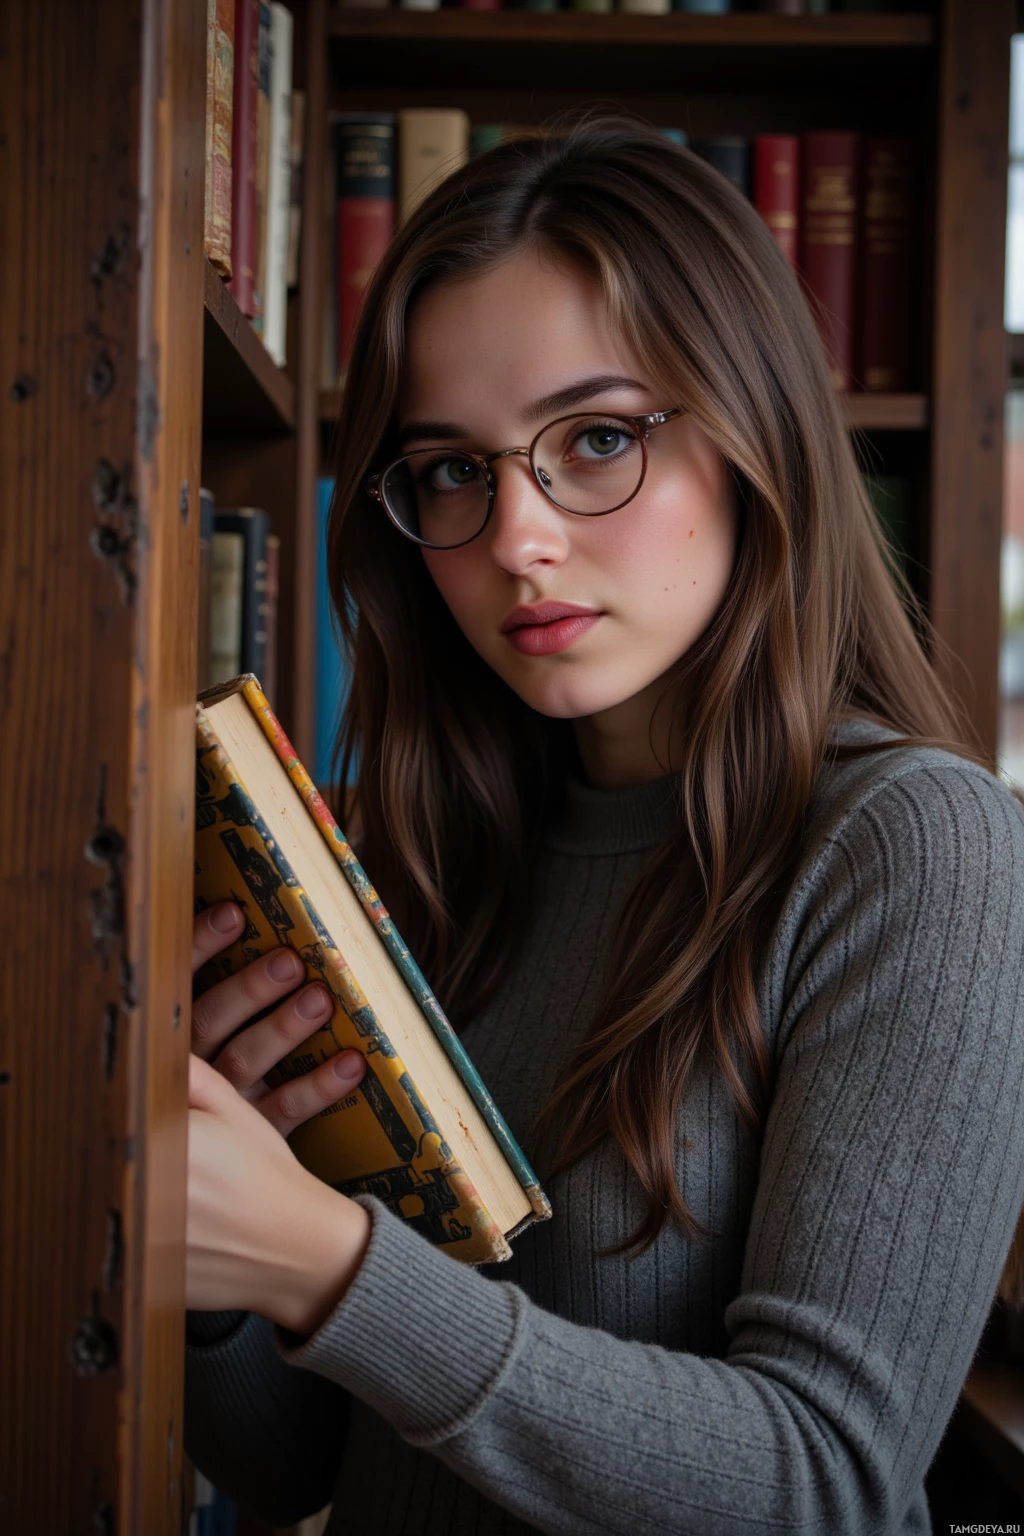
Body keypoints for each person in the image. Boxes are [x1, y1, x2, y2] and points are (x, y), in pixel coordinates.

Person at [183, 114, 1024, 1535]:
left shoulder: (914, 845)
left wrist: (327, 1262)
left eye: (596, 438)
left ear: (754, 431)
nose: (518, 536)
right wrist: (224, 1264)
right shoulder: (423, 856)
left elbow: (825, 1482)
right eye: (452, 468)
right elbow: (301, 1469)